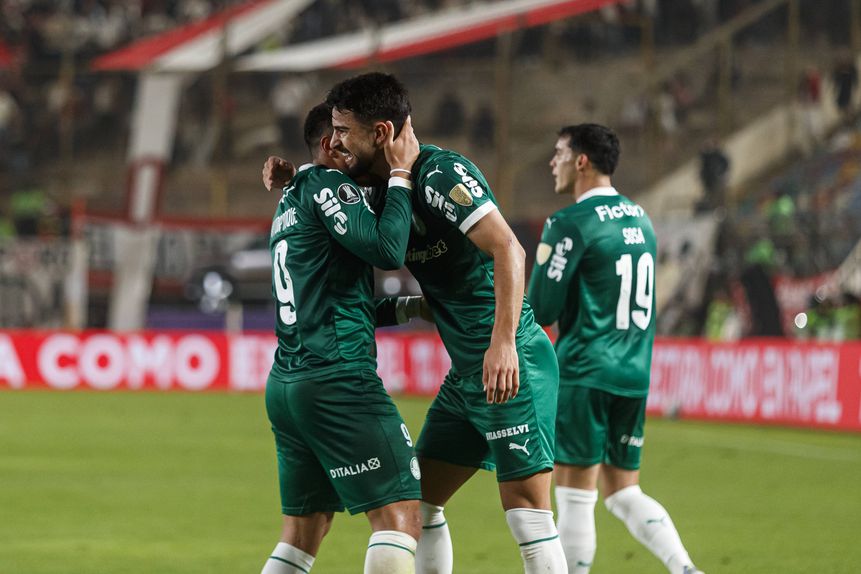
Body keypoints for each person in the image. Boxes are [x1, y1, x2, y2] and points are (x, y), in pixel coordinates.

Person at [266, 73, 566, 574]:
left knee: (527, 514)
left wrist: (505, 343)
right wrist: (297, 172)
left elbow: (509, 249)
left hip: (510, 362)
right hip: (465, 374)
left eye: (343, 130)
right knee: (418, 503)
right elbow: (333, 183)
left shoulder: (440, 173)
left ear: (380, 133)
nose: (336, 140)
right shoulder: (382, 187)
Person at [527, 124, 704, 574]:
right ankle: (685, 568)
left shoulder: (569, 223)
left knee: (575, 491)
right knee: (623, 491)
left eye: (560, 152)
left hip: (586, 370)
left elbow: (542, 308)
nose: (553, 162)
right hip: (633, 371)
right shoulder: (640, 218)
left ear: (581, 161)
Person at [260, 103, 424, 574]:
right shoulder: (328, 185)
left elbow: (339, 304)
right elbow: (387, 250)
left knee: (303, 533)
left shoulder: (290, 201)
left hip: (289, 384)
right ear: (332, 143)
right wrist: (399, 175)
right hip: (337, 379)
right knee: (401, 518)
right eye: (346, 136)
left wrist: (411, 307)